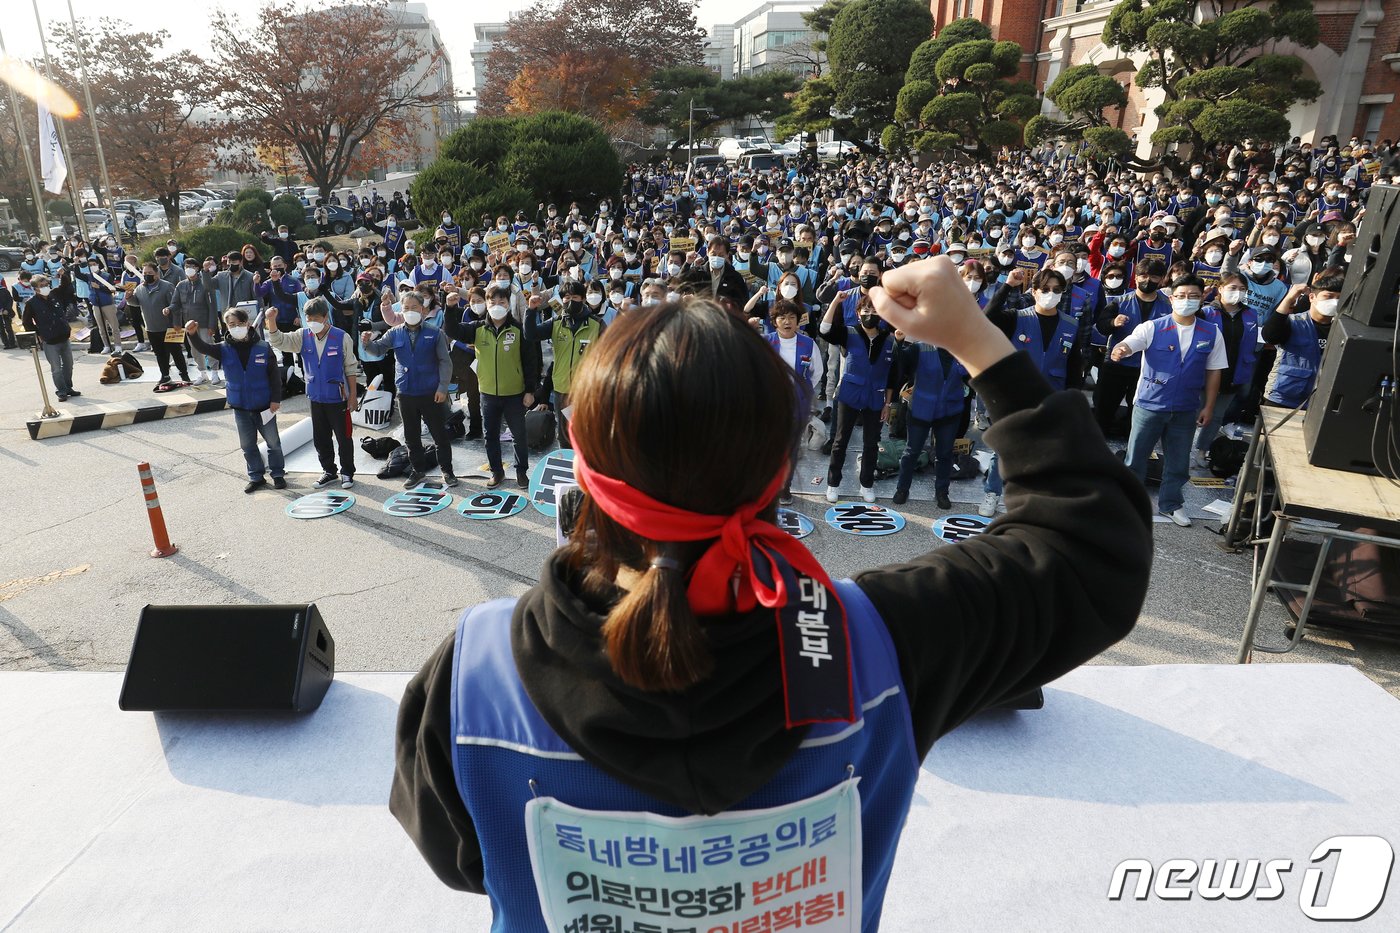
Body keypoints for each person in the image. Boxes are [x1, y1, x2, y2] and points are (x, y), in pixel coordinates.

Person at [389, 258, 1153, 928]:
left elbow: (465, 863)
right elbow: (1091, 549)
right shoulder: (885, 645)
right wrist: (977, 340)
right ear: (779, 471)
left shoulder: (472, 677)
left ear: (581, 464)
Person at [1111, 273, 1227, 526]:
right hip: (1150, 405)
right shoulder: (1153, 327)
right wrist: (1122, 349)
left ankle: (1171, 504)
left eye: (1194, 296)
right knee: (1135, 459)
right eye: (1182, 296)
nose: (1187, 300)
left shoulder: (1211, 332)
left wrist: (1208, 406)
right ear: (1171, 298)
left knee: (1178, 462)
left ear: (1203, 298)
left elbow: (1214, 370)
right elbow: (1132, 342)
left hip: (1185, 408)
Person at [362, 291, 458, 489]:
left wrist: (442, 387)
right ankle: (418, 471)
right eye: (406, 308)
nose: (410, 311)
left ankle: (447, 471)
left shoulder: (435, 332)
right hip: (406, 392)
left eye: (414, 308)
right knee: (411, 436)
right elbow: (378, 349)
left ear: (422, 310)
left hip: (431, 392)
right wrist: (367, 343)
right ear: (401, 310)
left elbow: (445, 362)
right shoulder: (395, 332)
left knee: (439, 435)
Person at [265, 297, 360, 489]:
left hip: (338, 397)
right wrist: (272, 320)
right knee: (321, 438)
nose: (312, 322)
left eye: (316, 318)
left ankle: (347, 472)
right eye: (309, 318)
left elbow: (351, 368)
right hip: (315, 397)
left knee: (344, 437)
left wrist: (352, 396)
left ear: (325, 317)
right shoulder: (303, 335)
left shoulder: (342, 337)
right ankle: (329, 471)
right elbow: (279, 341)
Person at [185, 311, 285, 493]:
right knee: (247, 446)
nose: (235, 327)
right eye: (231, 324)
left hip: (265, 405)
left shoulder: (263, 347)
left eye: (238, 323)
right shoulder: (223, 348)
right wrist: (191, 334)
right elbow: (203, 348)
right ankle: (256, 476)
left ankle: (277, 474)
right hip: (240, 407)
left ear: (247, 323)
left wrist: (275, 400)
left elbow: (274, 376)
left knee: (273, 443)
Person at [454, 285, 537, 489]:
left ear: (509, 304)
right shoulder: (478, 328)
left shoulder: (518, 329)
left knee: (519, 435)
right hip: (488, 394)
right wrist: (449, 308)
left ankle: (521, 472)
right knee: (490, 436)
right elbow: (453, 330)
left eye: (502, 302)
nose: (497, 306)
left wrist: (530, 391)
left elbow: (531, 362)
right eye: (493, 302)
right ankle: (496, 471)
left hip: (514, 394)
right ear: (486, 305)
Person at [819, 288, 896, 503]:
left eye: (874, 309)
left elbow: (893, 376)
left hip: (876, 397)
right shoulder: (849, 332)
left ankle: (866, 484)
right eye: (865, 309)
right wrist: (835, 301)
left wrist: (888, 403)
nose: (869, 313)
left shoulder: (889, 339)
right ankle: (833, 484)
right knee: (840, 440)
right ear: (859, 311)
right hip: (849, 394)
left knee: (871, 442)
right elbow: (824, 330)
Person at [524, 281, 605, 450]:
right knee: (564, 435)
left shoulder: (596, 324)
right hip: (562, 388)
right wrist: (531, 311)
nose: (570, 301)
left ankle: (584, 471)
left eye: (574, 297)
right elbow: (530, 334)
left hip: (585, 391)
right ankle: (567, 469)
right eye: (566, 298)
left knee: (585, 433)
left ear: (583, 299)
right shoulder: (556, 323)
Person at [892, 336, 966, 509]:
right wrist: (898, 342)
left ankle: (942, 491)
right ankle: (902, 488)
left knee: (944, 453)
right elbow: (900, 362)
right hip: (921, 409)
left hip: (950, 411)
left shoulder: (964, 349)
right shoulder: (920, 348)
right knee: (912, 451)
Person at [1261, 268, 1341, 410]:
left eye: (1338, 298)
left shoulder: (1341, 330)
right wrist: (1289, 299)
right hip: (1282, 396)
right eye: (1328, 296)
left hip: (1318, 401)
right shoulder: (1293, 322)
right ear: (1312, 297)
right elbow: (1270, 336)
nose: (1334, 302)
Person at [130, 262, 191, 389]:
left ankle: (184, 375)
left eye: (150, 273)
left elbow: (176, 306)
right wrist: (129, 297)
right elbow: (135, 302)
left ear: (157, 274)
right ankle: (165, 375)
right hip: (151, 328)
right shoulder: (140, 288)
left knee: (176, 352)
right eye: (145, 273)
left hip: (170, 327)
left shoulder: (167, 286)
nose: (147, 276)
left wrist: (177, 324)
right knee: (159, 354)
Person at [20, 274, 79, 401]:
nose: (45, 287)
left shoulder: (55, 295)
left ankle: (68, 387)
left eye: (46, 285)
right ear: (36, 289)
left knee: (69, 365)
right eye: (42, 286)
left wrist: (64, 273)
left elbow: (65, 286)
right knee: (56, 369)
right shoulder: (31, 303)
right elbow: (26, 322)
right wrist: (38, 334)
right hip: (49, 340)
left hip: (64, 336)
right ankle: (61, 391)